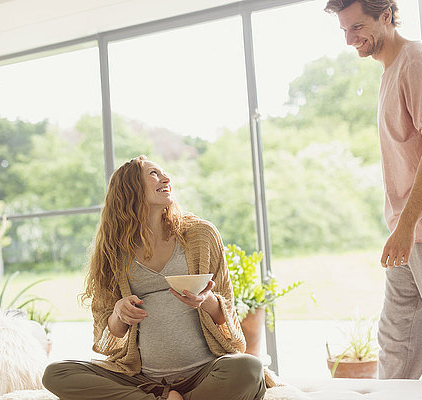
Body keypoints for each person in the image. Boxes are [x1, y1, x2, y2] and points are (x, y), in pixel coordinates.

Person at [42, 155, 268, 399]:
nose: (166, 178)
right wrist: (119, 314)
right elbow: (107, 341)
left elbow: (228, 316)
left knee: (248, 369)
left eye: (164, 172)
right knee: (56, 374)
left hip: (203, 373)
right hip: (141, 379)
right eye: (154, 174)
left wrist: (206, 300)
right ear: (130, 189)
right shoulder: (112, 252)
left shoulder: (200, 235)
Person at [324, 0, 422, 379]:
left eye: (357, 27)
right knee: (395, 343)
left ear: (386, 14)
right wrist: (403, 228)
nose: (349, 39)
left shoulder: (416, 61)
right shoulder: (390, 70)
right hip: (410, 234)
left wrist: (406, 225)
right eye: (344, 30)